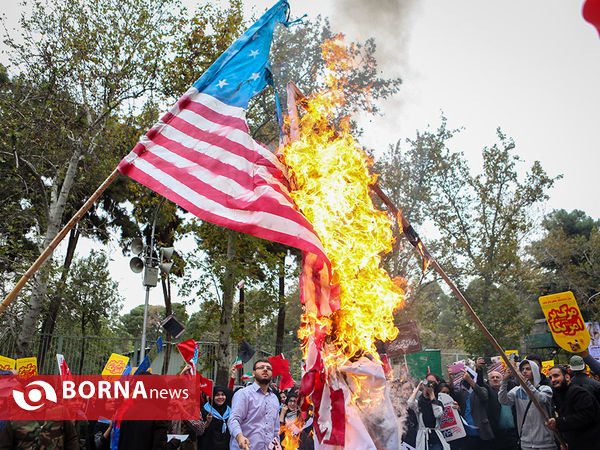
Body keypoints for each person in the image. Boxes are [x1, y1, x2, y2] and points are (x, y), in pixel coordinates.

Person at [498, 359, 556, 450]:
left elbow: (540, 399)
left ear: (535, 371)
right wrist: (504, 381)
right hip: (525, 443)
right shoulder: (517, 390)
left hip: (545, 443)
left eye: (528, 369)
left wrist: (525, 382)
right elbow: (503, 400)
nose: (524, 371)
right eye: (523, 369)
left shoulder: (545, 389)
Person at [228, 359, 280, 450]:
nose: (265, 369)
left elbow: (275, 430)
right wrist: (239, 436)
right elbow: (233, 419)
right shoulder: (243, 394)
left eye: (268, 368)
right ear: (253, 373)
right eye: (261, 367)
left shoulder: (274, 398)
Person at [545, 365, 600, 450]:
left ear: (567, 377)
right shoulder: (558, 395)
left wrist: (558, 423)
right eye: (550, 377)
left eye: (556, 376)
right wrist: (565, 441)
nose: (553, 380)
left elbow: (585, 417)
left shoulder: (580, 394)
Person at [408, 380, 450, 450]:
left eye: (429, 389)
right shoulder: (419, 403)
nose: (427, 391)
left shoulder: (438, 403)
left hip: (435, 437)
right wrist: (418, 387)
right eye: (425, 389)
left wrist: (432, 395)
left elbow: (438, 414)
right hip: (423, 437)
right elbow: (409, 404)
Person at [486, 370, 518, 450]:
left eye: (498, 377)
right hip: (496, 433)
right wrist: (479, 369)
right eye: (492, 377)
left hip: (512, 433)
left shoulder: (510, 392)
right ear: (489, 381)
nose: (495, 379)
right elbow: (480, 384)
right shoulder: (487, 393)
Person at [197, 385, 231, 450]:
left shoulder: (229, 411)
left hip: (225, 445)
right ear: (212, 397)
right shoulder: (205, 411)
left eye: (223, 394)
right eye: (217, 395)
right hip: (209, 445)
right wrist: (207, 422)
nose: (220, 397)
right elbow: (199, 431)